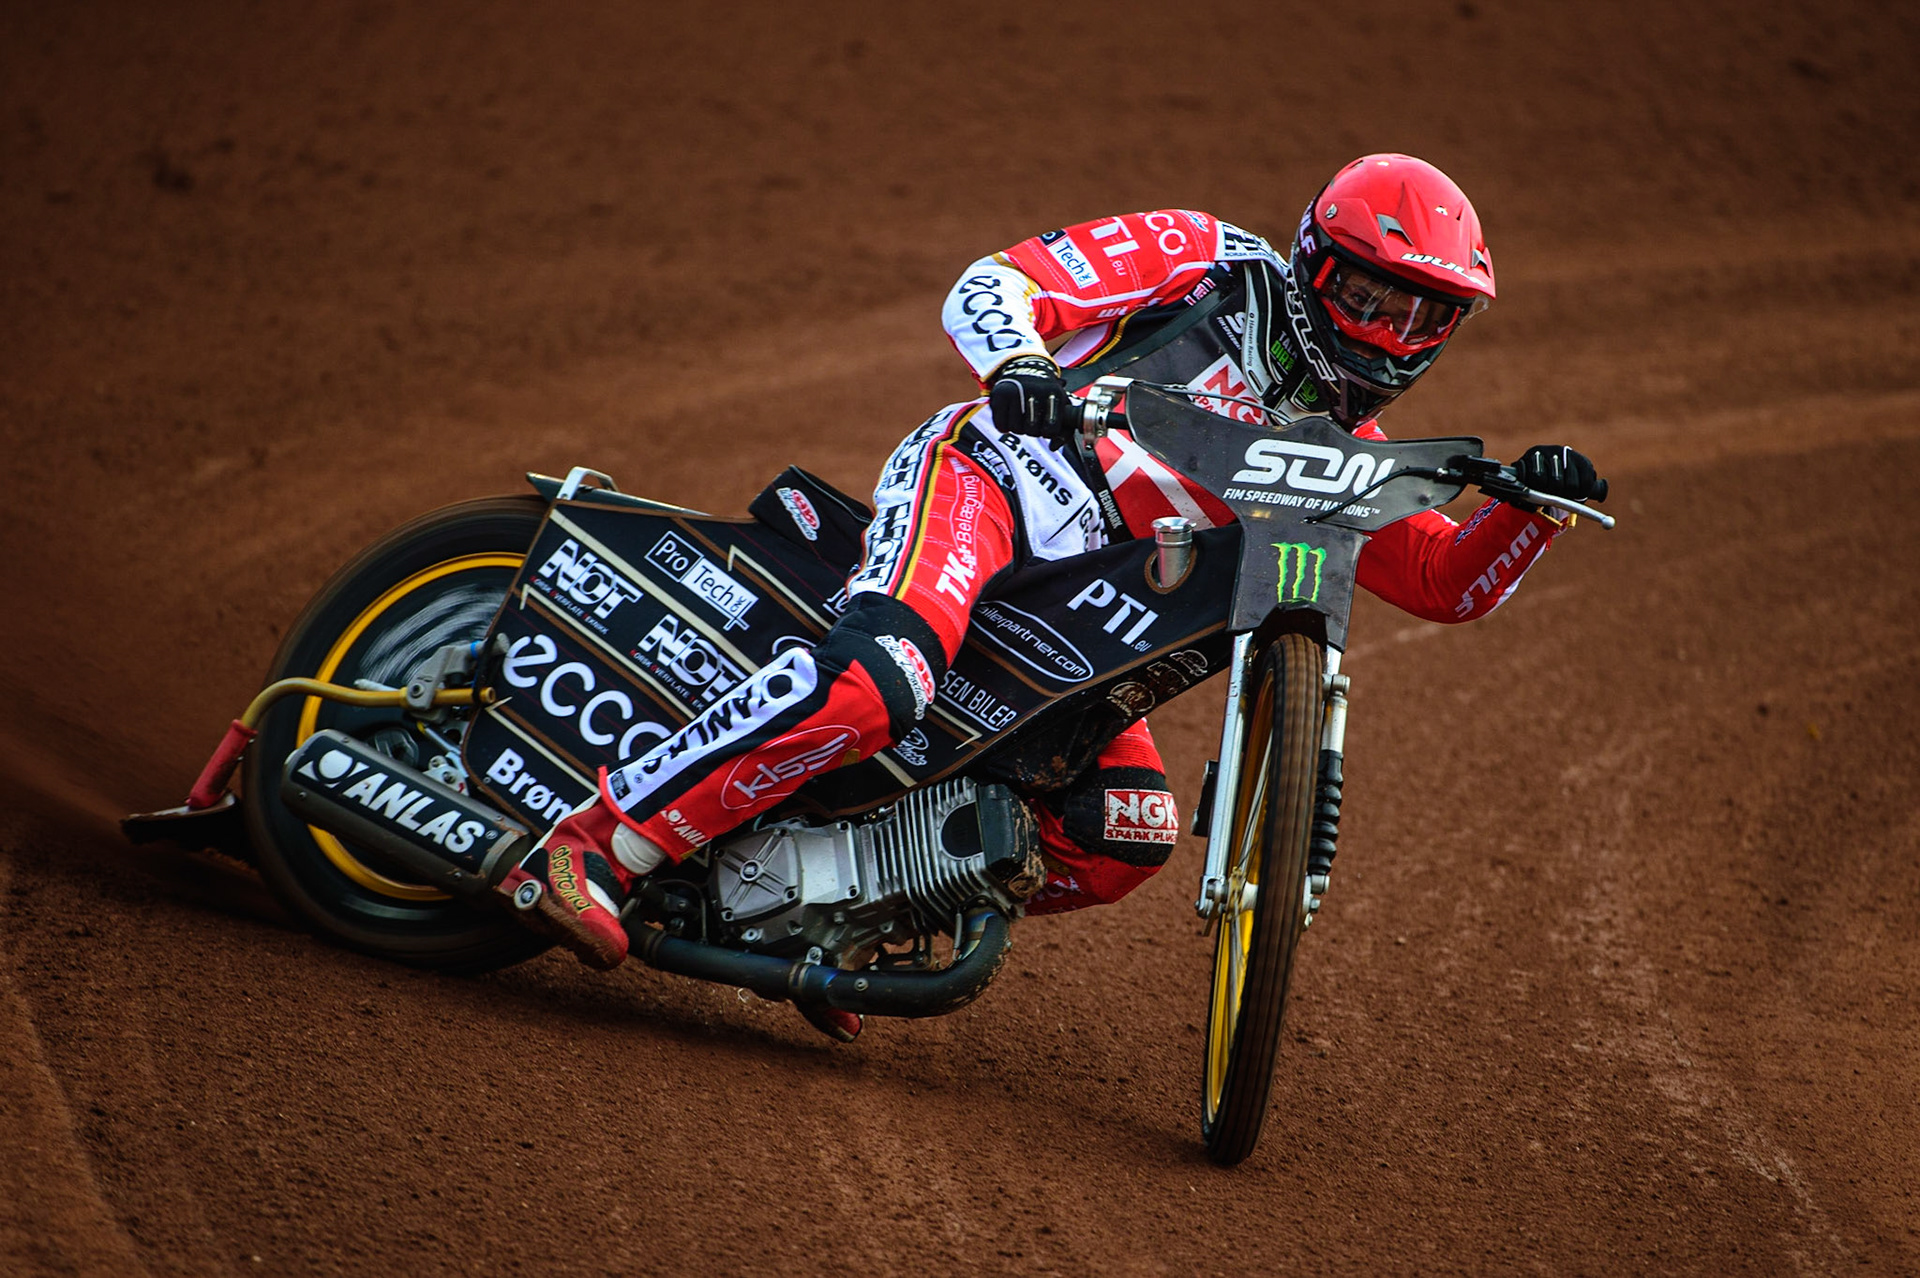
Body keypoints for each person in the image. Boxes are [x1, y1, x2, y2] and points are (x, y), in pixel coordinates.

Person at [494, 153, 1608, 1040]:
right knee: (882, 684)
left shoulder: (1343, 450)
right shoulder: (1209, 260)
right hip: (984, 487)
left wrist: (1531, 510)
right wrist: (1020, 365)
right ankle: (597, 839)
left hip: (1071, 621)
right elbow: (997, 282)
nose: (1390, 333)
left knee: (1126, 835)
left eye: (1427, 316)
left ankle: (847, 920)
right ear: (1316, 261)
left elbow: (1442, 581)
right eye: (1372, 295)